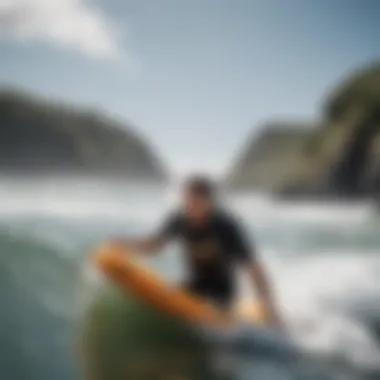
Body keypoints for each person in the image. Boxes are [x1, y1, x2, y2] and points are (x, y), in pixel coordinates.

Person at [113, 175, 283, 329]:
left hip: (221, 295)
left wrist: (269, 307)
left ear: (208, 201)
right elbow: (155, 244)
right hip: (194, 286)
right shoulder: (179, 219)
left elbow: (253, 267)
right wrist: (125, 245)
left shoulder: (225, 226)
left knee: (212, 328)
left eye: (194, 200)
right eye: (186, 199)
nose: (188, 205)